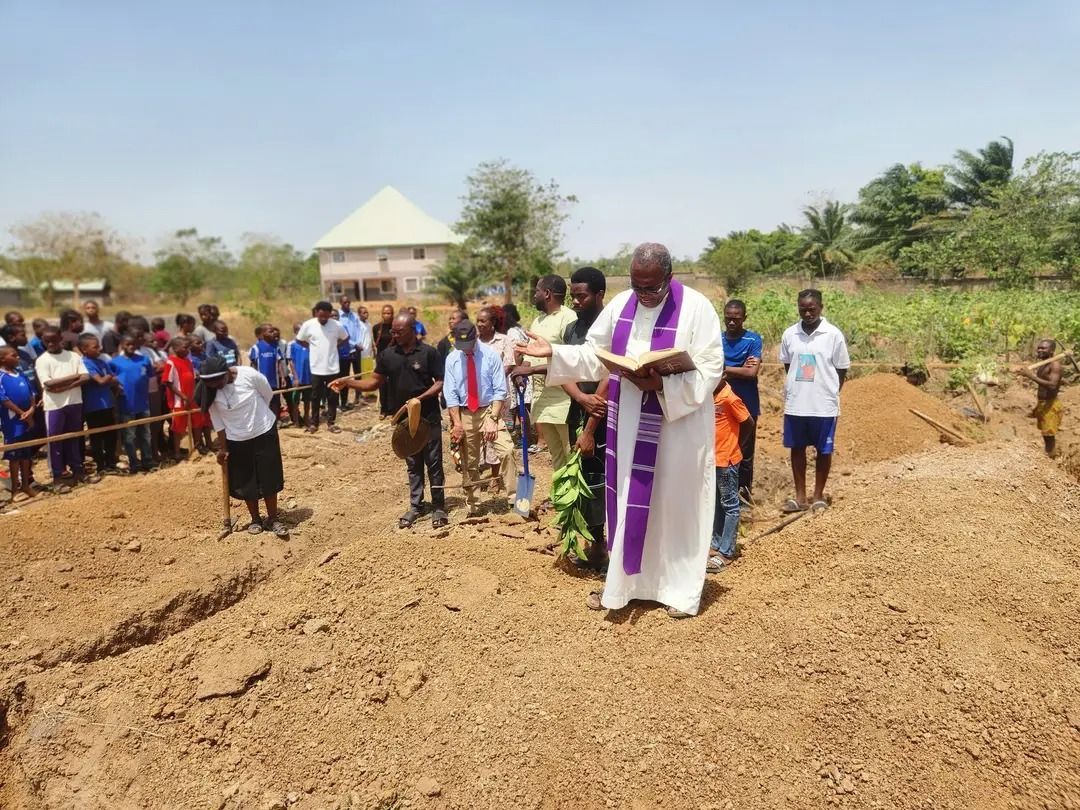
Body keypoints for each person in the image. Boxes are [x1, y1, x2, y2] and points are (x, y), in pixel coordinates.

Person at [517, 243, 726, 618]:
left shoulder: (696, 308)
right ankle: (628, 586)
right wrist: (554, 352)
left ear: (669, 279)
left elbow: (711, 367)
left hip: (678, 428)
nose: (643, 295)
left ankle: (678, 590)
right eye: (636, 286)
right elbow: (594, 355)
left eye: (652, 288)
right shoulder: (621, 306)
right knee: (632, 498)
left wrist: (661, 385)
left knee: (676, 505)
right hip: (630, 423)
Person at [331, 313, 447, 528]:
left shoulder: (428, 353)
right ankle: (416, 506)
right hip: (403, 420)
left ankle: (439, 507)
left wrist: (419, 399)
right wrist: (348, 383)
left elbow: (440, 382)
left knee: (434, 463)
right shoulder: (387, 355)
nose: (393, 334)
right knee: (412, 464)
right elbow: (374, 383)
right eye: (392, 330)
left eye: (399, 331)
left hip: (428, 417)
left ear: (412, 330)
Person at [196, 356, 288, 538]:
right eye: (210, 383)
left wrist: (255, 420)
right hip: (235, 439)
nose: (214, 385)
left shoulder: (249, 375)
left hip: (263, 431)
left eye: (217, 381)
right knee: (247, 481)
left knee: (269, 476)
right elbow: (218, 422)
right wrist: (223, 448)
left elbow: (267, 394)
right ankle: (255, 519)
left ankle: (273, 518)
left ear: (227, 372)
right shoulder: (210, 391)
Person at [778, 289, 850, 513]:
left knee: (823, 450)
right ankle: (800, 497)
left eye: (812, 309)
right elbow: (789, 365)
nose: (807, 313)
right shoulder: (790, 334)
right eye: (803, 309)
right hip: (797, 404)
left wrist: (827, 391)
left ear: (821, 307)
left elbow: (841, 368)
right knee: (797, 449)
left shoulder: (833, 335)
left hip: (824, 406)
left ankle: (818, 496)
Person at [563, 267, 610, 568]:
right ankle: (595, 545)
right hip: (577, 410)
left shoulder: (612, 327)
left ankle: (610, 550)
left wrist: (590, 429)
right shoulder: (572, 330)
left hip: (606, 416)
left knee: (605, 483)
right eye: (573, 296)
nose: (576, 302)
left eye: (582, 296)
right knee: (585, 481)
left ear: (599, 294)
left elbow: (611, 374)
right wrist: (580, 398)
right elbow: (564, 368)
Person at [444, 320, 516, 514]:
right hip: (465, 413)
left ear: (475, 337)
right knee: (470, 462)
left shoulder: (491, 356)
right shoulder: (452, 359)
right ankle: (473, 505)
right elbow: (450, 394)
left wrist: (492, 420)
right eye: (461, 346)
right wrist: (457, 424)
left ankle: (515, 501)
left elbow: (500, 390)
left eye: (468, 345)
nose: (465, 350)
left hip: (489, 410)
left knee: (507, 450)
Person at [519, 275, 578, 472]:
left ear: (547, 294)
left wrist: (531, 370)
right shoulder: (538, 321)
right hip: (542, 398)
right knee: (556, 453)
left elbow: (569, 359)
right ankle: (560, 497)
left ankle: (574, 500)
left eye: (536, 291)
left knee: (571, 451)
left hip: (562, 400)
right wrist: (521, 371)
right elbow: (531, 353)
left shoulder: (568, 318)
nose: (534, 295)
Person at [35, 326, 92, 491]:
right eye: (47, 341)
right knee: (55, 441)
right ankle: (57, 477)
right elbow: (49, 383)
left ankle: (78, 471)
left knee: (74, 438)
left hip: (74, 402)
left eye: (54, 340)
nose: (51, 343)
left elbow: (86, 376)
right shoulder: (42, 360)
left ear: (61, 338)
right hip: (55, 406)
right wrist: (75, 377)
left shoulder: (73, 356)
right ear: (44, 342)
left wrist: (65, 385)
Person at [708, 376, 754, 573]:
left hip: (726, 460)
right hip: (713, 460)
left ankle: (726, 551)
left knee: (729, 504)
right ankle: (716, 543)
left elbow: (748, 422)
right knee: (717, 502)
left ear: (723, 376)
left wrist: (737, 447)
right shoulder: (710, 395)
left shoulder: (729, 398)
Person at [721, 299, 763, 500]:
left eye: (736, 319)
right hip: (720, 404)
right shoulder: (716, 339)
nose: (731, 323)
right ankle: (724, 495)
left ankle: (744, 495)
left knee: (745, 452)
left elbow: (751, 373)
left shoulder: (753, 340)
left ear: (744, 318)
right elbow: (709, 368)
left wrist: (724, 369)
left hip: (747, 402)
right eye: (728, 318)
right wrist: (740, 369)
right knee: (722, 451)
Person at [296, 301, 349, 434]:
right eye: (321, 316)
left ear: (330, 314)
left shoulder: (337, 325)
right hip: (316, 368)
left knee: (332, 396)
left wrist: (336, 346)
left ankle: (331, 423)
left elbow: (346, 338)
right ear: (316, 313)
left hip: (333, 368)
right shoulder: (308, 325)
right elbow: (299, 339)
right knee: (315, 396)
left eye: (326, 316)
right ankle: (314, 423)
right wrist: (310, 347)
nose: (323, 319)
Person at [110, 333, 157, 474]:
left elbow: (150, 376)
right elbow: (111, 381)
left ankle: (147, 461)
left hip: (143, 403)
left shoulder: (144, 360)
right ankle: (134, 463)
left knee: (145, 434)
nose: (130, 347)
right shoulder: (114, 362)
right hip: (126, 405)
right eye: (127, 344)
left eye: (133, 344)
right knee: (129, 436)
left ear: (137, 345)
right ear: (122, 345)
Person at [78, 334, 121, 475]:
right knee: (97, 437)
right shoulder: (85, 363)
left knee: (111, 435)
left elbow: (112, 380)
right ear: (84, 349)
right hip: (94, 406)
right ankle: (101, 466)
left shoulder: (102, 362)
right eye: (95, 347)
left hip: (107, 403)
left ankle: (111, 463)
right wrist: (110, 376)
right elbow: (101, 381)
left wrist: (108, 378)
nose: (100, 349)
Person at [0, 345, 37, 500]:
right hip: (13, 422)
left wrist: (32, 409)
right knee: (14, 455)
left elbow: (32, 392)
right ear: (2, 359)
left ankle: (26, 485)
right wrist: (23, 414)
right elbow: (4, 399)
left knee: (26, 453)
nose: (18, 358)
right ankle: (15, 489)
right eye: (13, 356)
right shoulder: (1, 377)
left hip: (27, 417)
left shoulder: (20, 373)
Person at [1015, 339, 1064, 456]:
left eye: (1043, 348)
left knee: (1049, 434)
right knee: (1045, 432)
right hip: (1042, 403)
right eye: (1039, 347)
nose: (1040, 350)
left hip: (1050, 405)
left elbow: (1052, 385)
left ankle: (1050, 457)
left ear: (1051, 350)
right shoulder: (1044, 364)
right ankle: (1050, 454)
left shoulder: (1055, 365)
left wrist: (1031, 376)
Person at [162, 336, 201, 460]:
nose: (188, 350)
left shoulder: (188, 361)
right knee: (178, 427)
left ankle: (197, 448)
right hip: (179, 401)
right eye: (185, 347)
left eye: (189, 347)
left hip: (191, 398)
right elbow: (168, 382)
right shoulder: (171, 362)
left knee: (197, 423)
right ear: (176, 348)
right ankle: (177, 453)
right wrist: (182, 396)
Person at [337, 295, 371, 409]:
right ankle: (344, 401)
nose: (347, 304)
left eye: (348, 302)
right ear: (340, 303)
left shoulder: (354, 315)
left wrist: (359, 343)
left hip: (356, 350)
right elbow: (342, 335)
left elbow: (359, 331)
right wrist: (354, 343)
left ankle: (358, 396)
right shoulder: (338, 317)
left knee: (358, 374)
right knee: (344, 377)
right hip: (345, 351)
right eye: (344, 302)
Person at [248, 324, 281, 416]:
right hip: (261, 381)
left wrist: (281, 377)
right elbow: (253, 365)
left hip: (274, 381)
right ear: (262, 334)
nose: (273, 333)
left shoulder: (275, 346)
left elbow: (278, 363)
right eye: (270, 331)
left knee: (275, 402)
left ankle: (275, 421)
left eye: (273, 331)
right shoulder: (256, 348)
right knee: (263, 402)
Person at [286, 322, 312, 429]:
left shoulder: (309, 343)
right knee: (295, 400)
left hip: (308, 377)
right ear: (295, 331)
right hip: (297, 378)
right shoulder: (291, 344)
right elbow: (291, 362)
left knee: (307, 400)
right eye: (298, 330)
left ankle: (306, 418)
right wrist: (296, 377)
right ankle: (296, 420)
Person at [372, 304, 396, 416]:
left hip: (394, 359)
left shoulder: (396, 327)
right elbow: (377, 344)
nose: (387, 315)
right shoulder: (376, 328)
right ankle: (384, 409)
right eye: (385, 313)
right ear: (382, 314)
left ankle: (393, 409)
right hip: (381, 360)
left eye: (389, 313)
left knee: (393, 384)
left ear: (393, 314)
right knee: (382, 384)